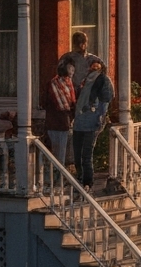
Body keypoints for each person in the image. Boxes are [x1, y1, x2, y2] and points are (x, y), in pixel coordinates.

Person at [72, 58, 113, 188]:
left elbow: (104, 101)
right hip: (79, 121)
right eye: (92, 66)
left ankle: (87, 182)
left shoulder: (103, 81)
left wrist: (100, 117)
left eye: (97, 66)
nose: (94, 68)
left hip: (92, 121)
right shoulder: (85, 80)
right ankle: (79, 178)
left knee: (86, 153)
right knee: (77, 153)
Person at [42, 61, 77, 163]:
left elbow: (72, 103)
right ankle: (57, 173)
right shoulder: (53, 83)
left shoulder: (69, 84)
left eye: (73, 69)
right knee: (56, 151)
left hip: (64, 121)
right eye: (70, 69)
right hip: (55, 120)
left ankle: (59, 173)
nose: (72, 72)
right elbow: (58, 104)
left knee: (62, 151)